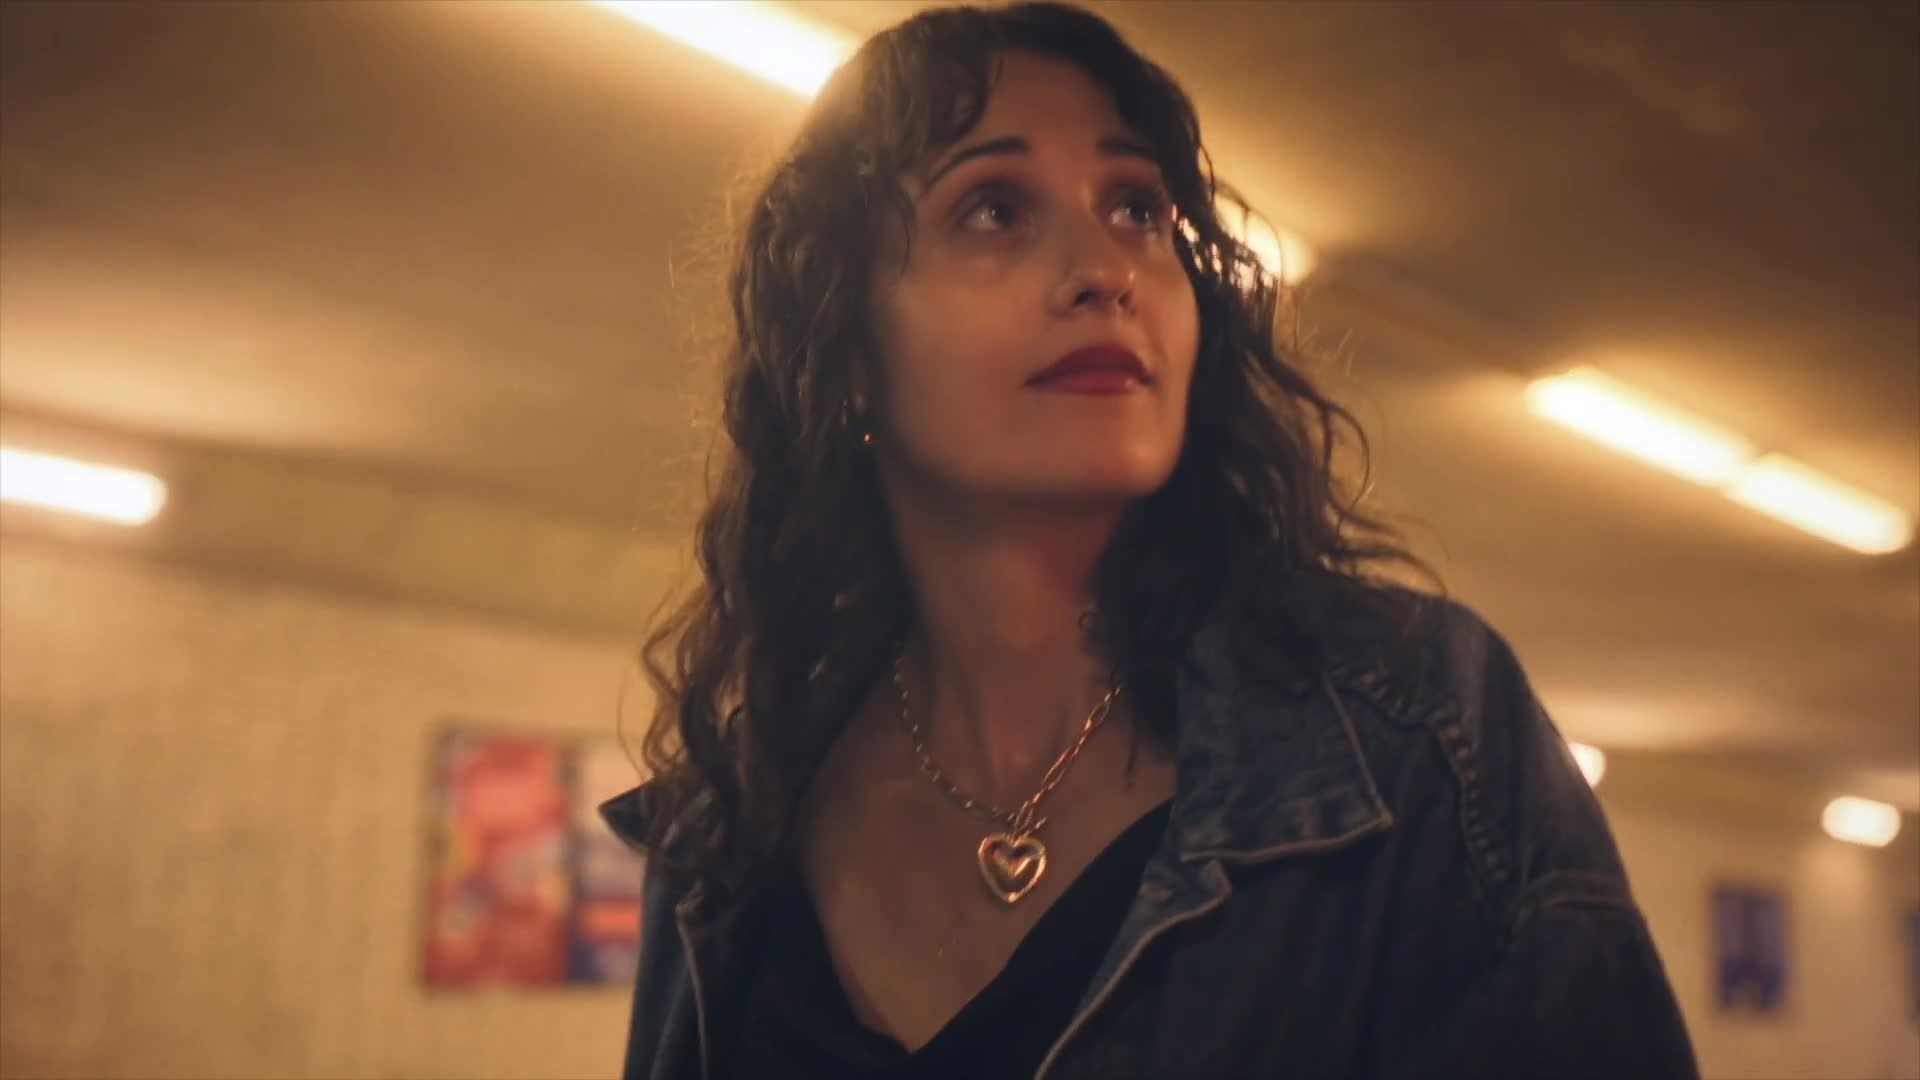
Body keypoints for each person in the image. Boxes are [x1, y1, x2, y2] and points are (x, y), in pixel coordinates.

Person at [601, 3, 1698, 1077]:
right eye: (994, 209)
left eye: (1136, 208)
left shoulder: (1418, 732)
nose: (1107, 269)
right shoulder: (728, 835)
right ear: (846, 353)